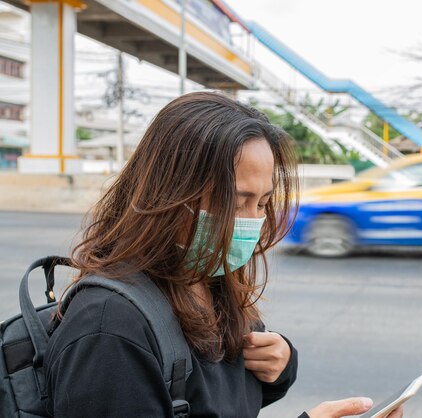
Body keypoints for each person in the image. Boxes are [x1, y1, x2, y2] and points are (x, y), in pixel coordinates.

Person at [44, 91, 402, 418]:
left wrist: (280, 363)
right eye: (236, 202)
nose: (253, 222)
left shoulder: (207, 279)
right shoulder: (109, 329)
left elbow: (222, 398)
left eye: (262, 203)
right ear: (170, 194)